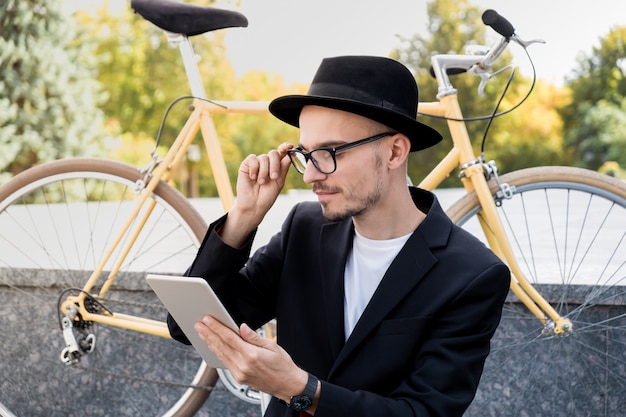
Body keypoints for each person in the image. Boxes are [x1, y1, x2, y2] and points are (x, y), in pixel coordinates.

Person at [168, 55, 510, 417]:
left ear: (394, 151)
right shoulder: (304, 228)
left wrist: (299, 389)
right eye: (306, 154)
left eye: (329, 153)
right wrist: (243, 217)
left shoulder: (471, 275)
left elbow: (423, 412)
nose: (310, 175)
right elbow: (188, 327)